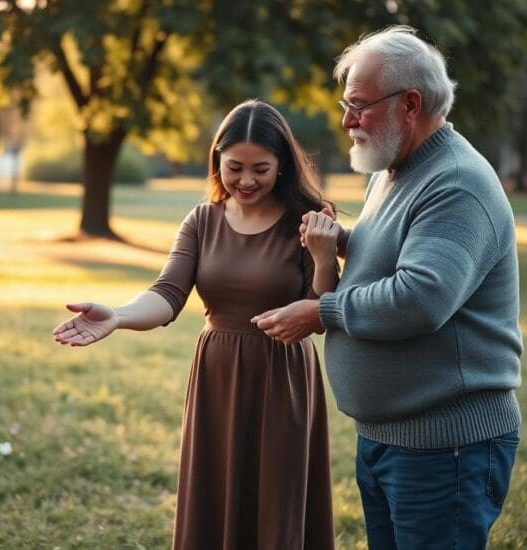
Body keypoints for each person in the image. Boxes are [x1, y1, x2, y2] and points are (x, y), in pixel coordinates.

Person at [252, 26, 523, 549]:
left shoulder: (457, 183)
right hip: (387, 439)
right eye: (345, 103)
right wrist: (340, 241)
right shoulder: (391, 169)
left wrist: (320, 312)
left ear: (410, 104)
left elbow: (420, 298)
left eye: (359, 105)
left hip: (447, 448)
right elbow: (397, 253)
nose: (347, 119)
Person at [53, 99, 338, 549]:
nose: (246, 180)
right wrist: (118, 317)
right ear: (217, 161)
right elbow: (168, 294)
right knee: (214, 498)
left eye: (260, 168)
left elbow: (319, 313)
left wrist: (324, 258)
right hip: (216, 380)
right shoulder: (202, 221)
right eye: (234, 167)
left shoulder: (306, 221)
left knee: (275, 502)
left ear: (282, 164)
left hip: (281, 381)